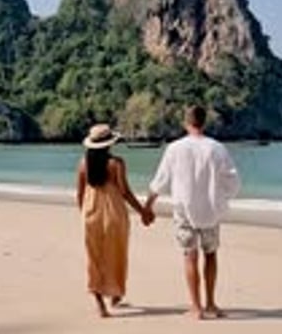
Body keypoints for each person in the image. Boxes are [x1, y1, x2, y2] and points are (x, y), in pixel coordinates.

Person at [145, 105, 240, 320]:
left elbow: (160, 181)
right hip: (210, 211)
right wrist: (222, 199)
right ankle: (211, 303)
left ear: (185, 123)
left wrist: (148, 206)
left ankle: (196, 307)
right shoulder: (217, 148)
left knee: (190, 256)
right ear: (204, 122)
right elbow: (233, 181)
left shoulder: (175, 149)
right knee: (211, 255)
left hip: (184, 210)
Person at [76, 123, 153, 318]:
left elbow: (80, 193)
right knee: (116, 252)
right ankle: (115, 293)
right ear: (109, 144)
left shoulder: (83, 163)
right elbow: (125, 192)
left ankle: (99, 302)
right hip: (114, 213)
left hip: (90, 212)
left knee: (94, 257)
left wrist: (83, 213)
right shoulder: (116, 163)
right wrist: (143, 211)